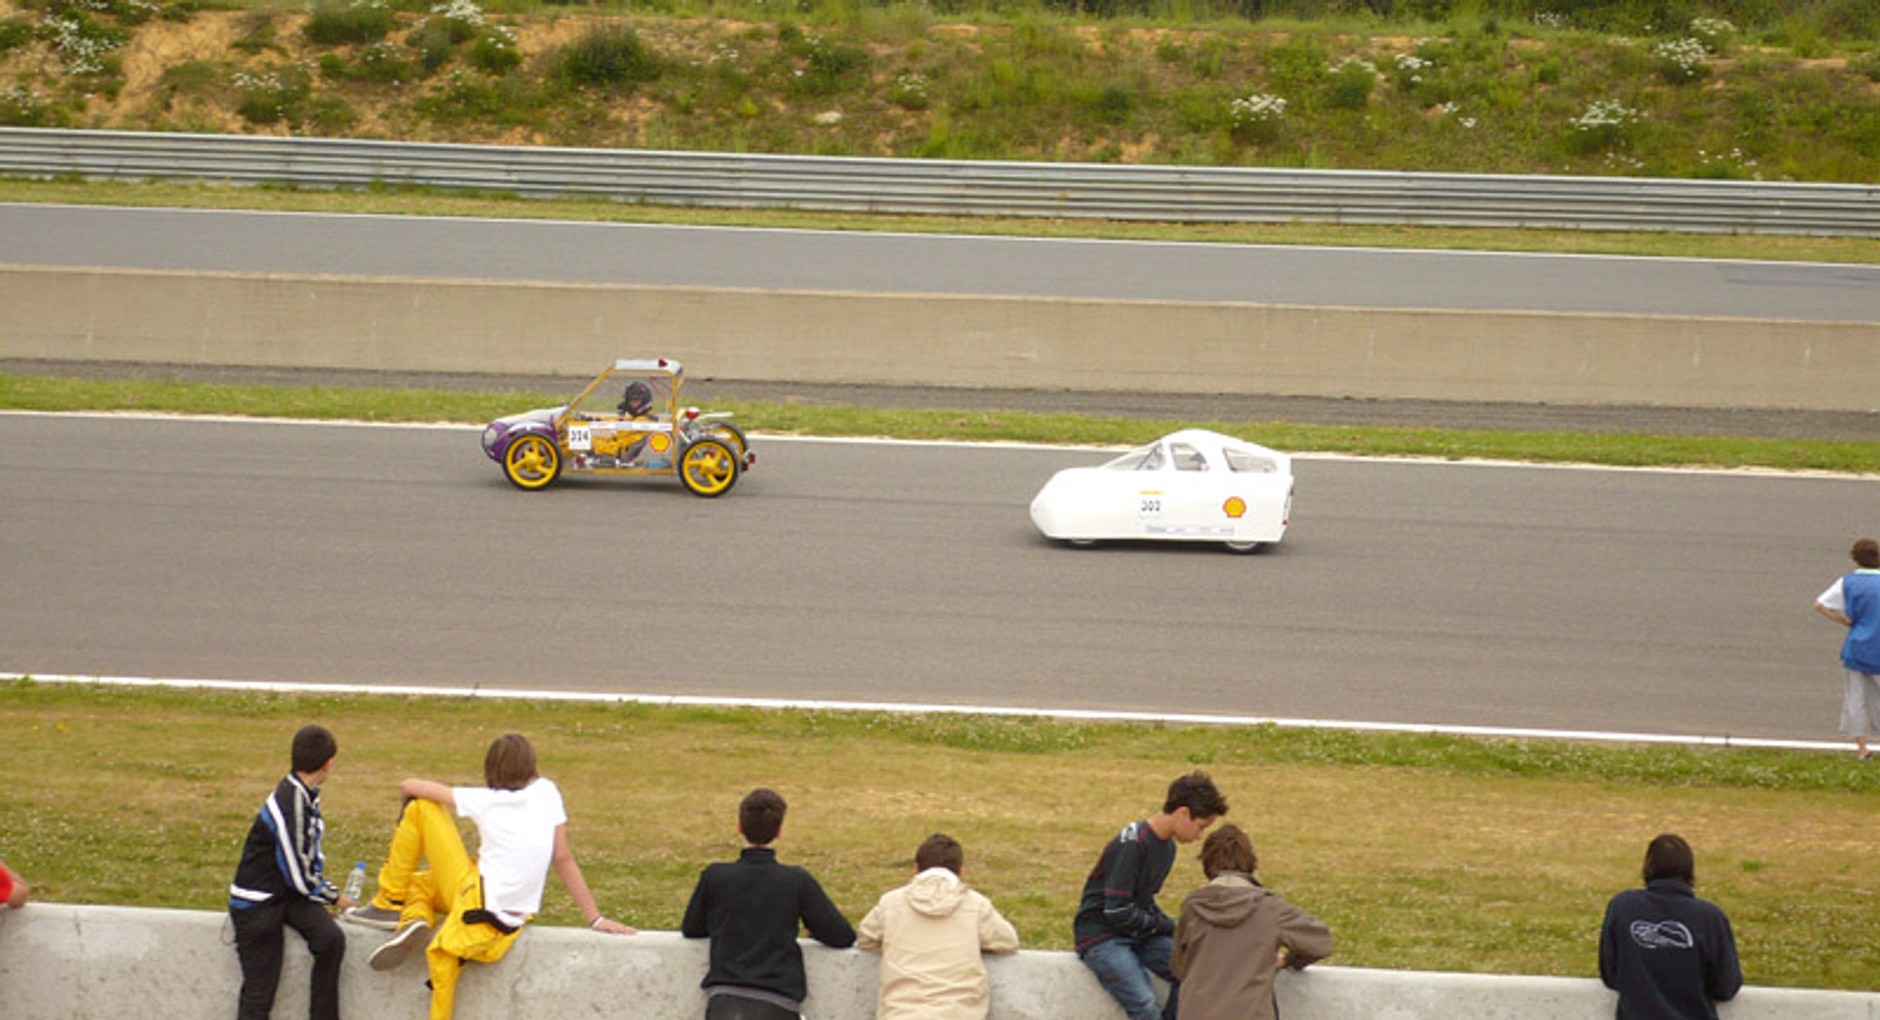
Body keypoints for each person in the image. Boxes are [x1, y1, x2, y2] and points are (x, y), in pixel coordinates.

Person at [342, 733, 634, 1020]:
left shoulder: (487, 801)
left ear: (491, 770)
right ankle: (414, 918)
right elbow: (562, 857)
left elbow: (411, 785)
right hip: (511, 915)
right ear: (531, 765)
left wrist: (405, 797)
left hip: (477, 900)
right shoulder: (548, 792)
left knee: (421, 807)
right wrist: (594, 917)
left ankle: (389, 902)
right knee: (421, 882)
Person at [681, 787, 857, 1020]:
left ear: (740, 826)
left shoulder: (715, 877)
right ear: (779, 830)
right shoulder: (796, 881)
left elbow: (692, 928)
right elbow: (841, 935)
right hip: (777, 1002)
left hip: (725, 1003)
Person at [1074, 771, 1229, 1020]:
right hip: (1103, 937)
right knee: (1145, 1006)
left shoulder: (1167, 848)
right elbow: (1116, 910)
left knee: (1195, 970)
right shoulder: (1133, 844)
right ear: (1183, 813)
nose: (1200, 836)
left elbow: (1144, 901)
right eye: (1201, 827)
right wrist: (1167, 926)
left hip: (1137, 934)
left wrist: (1180, 931)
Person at [228, 724, 354, 1020]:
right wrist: (335, 898)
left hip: (285, 893)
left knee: (330, 940)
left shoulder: (305, 794)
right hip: (257, 906)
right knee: (260, 995)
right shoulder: (290, 805)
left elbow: (305, 861)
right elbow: (299, 874)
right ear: (328, 763)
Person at [1170, 825, 1331, 1020]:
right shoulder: (1270, 908)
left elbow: (1179, 966)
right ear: (1250, 863)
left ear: (1206, 864)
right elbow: (1320, 943)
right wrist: (1288, 960)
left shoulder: (1192, 907)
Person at [856, 833, 1020, 1020]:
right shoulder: (976, 905)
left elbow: (866, 938)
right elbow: (1008, 941)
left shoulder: (891, 903)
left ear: (916, 869)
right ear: (961, 871)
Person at [1599, 833, 1742, 1020]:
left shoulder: (1623, 906)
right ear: (1689, 870)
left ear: (1648, 867)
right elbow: (1726, 987)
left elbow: (1610, 974)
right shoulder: (1709, 918)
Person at [1814, 536, 1880, 760]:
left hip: (1857, 648)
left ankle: (1863, 749)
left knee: (1856, 699)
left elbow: (1820, 604)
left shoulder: (1848, 582)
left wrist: (1846, 621)